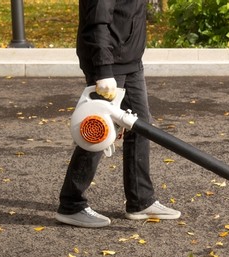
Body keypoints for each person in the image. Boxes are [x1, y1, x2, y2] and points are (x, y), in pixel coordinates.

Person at [55, 0, 180, 228]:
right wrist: (103, 71)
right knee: (98, 131)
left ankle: (140, 200)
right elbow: (97, 22)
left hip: (130, 60)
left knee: (142, 126)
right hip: (108, 63)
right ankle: (71, 204)